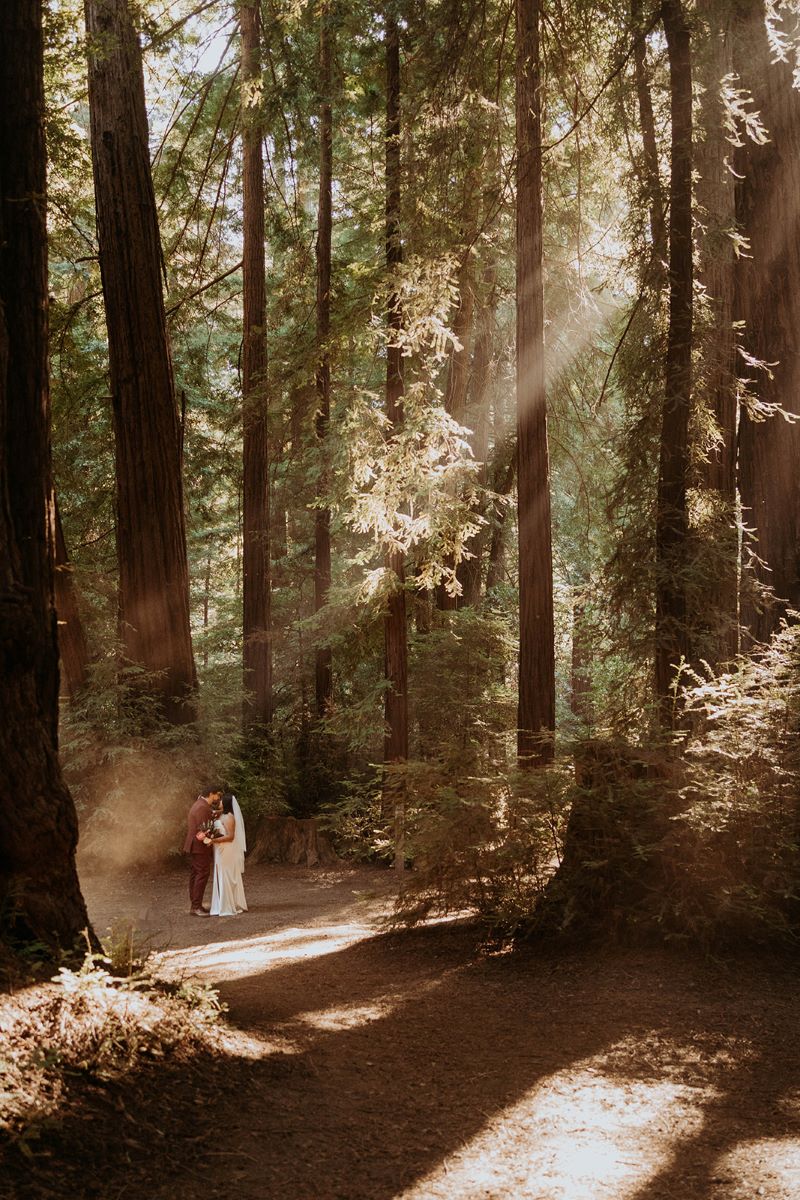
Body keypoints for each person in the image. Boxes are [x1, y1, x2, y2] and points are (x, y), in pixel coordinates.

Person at [204, 793, 248, 917]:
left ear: (227, 803)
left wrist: (213, 840)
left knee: (225, 875)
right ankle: (221, 904)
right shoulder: (222, 815)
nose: (219, 802)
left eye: (222, 801)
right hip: (219, 850)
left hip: (226, 850)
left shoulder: (229, 817)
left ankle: (227, 905)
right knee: (220, 874)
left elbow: (230, 836)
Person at [184, 786, 223, 917]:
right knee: (202, 874)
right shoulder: (202, 807)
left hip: (195, 845)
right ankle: (196, 907)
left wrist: (215, 814)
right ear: (211, 794)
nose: (218, 798)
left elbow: (206, 820)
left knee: (196, 874)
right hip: (199, 846)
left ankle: (195, 905)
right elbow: (203, 829)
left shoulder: (200, 804)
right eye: (217, 795)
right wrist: (210, 839)